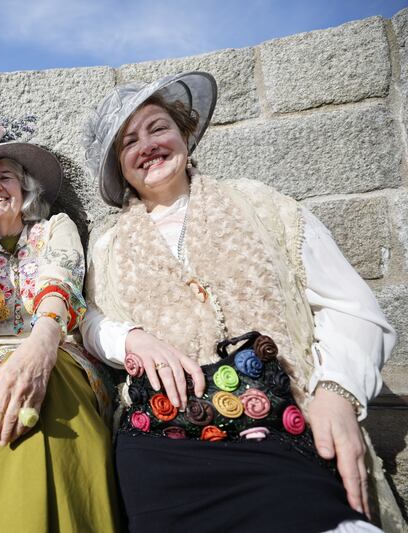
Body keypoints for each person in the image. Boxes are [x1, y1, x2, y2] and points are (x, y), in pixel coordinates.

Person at [80, 72, 405, 532]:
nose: (148, 145)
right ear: (120, 166)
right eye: (130, 141)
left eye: (158, 128)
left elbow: (349, 306)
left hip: (279, 421)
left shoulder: (263, 206)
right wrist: (130, 337)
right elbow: (90, 319)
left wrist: (335, 394)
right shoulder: (107, 245)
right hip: (163, 441)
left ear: (184, 133)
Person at [0, 124, 119, 532]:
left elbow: (60, 282)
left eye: (5, 177)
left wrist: (41, 346)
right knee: (11, 403)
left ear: (25, 189)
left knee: (48, 386)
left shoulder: (54, 227)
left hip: (60, 351)